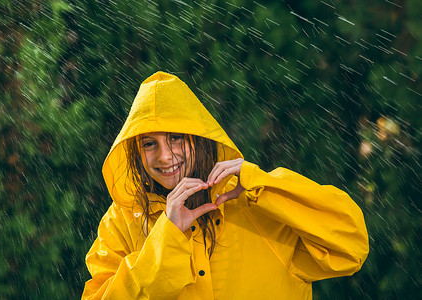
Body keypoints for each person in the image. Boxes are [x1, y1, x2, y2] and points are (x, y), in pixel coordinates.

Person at [82, 71, 369, 299]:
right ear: (135, 153)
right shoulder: (122, 221)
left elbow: (350, 245)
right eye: (148, 144)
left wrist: (263, 187)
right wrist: (166, 240)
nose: (165, 155)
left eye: (177, 138)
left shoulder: (257, 201)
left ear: (201, 138)